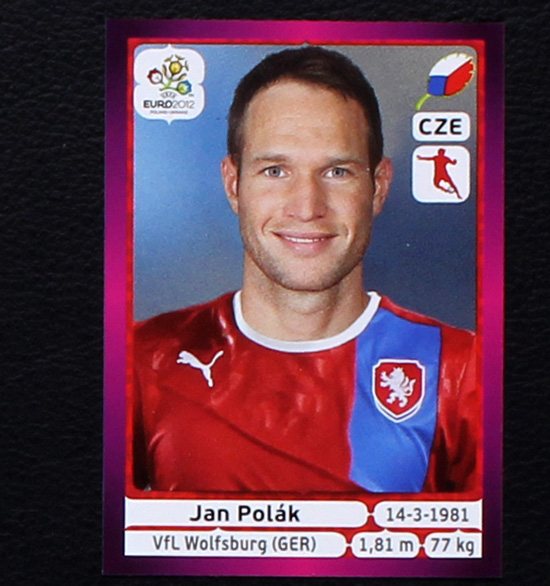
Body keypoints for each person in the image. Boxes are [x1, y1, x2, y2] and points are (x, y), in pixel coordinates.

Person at [132, 47, 480, 494]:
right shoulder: (143, 359)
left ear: (378, 187)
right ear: (233, 184)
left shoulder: (461, 369)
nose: (306, 207)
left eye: (337, 172)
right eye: (275, 170)